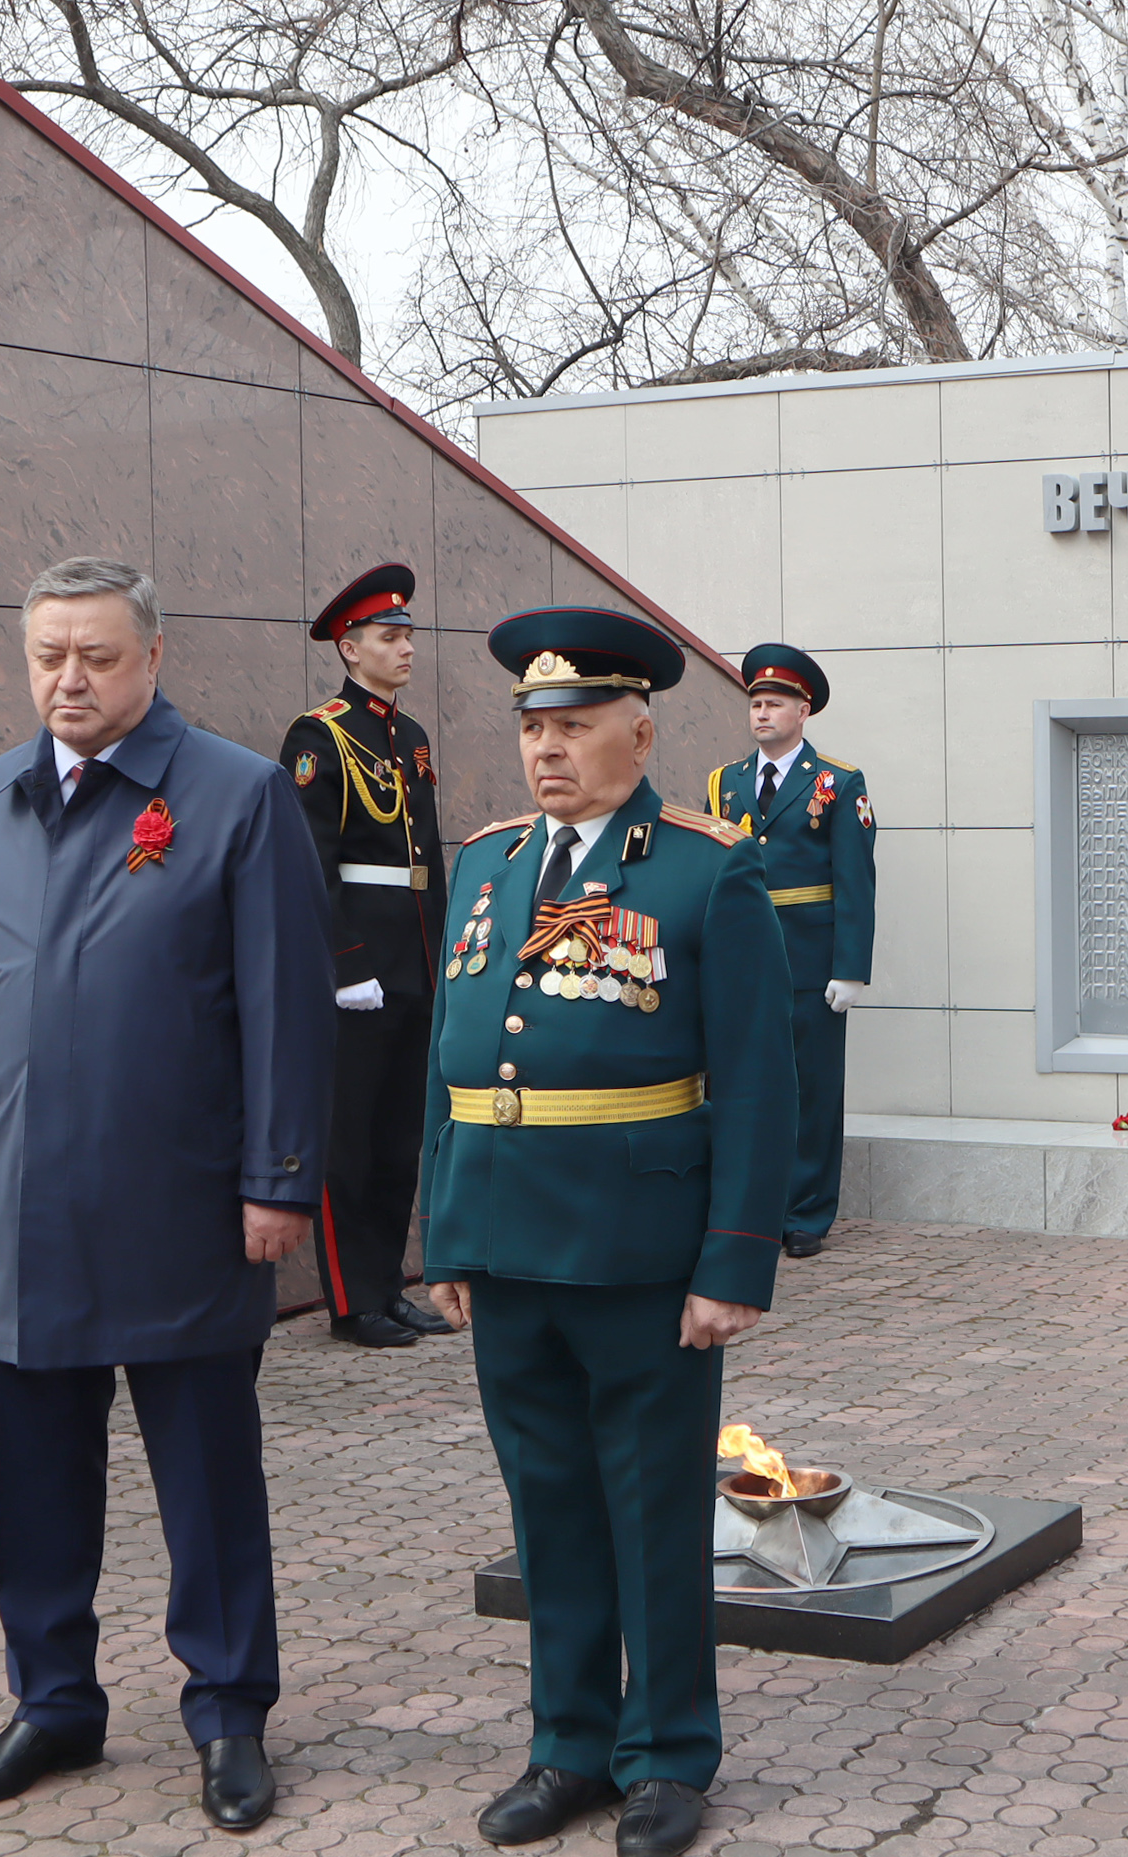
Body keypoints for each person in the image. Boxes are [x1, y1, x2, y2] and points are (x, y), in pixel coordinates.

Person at [0, 558, 334, 1826]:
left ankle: (229, 1710)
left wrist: (279, 1182)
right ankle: (53, 1706)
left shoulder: (239, 795)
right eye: (47, 657)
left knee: (204, 1472)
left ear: (154, 657)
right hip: (19, 1206)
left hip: (185, 1203)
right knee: (30, 1474)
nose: (68, 679)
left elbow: (286, 1011)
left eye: (95, 655)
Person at [422, 607, 797, 1855]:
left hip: (643, 1256)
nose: (546, 750)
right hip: (507, 1246)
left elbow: (757, 1077)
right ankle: (566, 1746)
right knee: (549, 1511)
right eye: (533, 727)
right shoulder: (483, 864)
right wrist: (446, 1237)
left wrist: (734, 1259)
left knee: (650, 1511)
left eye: (573, 727)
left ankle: (669, 1757)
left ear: (639, 730)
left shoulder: (705, 866)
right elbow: (452, 1066)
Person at [279, 563, 450, 1347]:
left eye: (409, 634)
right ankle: (352, 1299)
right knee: (349, 1140)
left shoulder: (408, 736)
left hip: (413, 956)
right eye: (390, 636)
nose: (406, 647)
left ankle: (391, 1284)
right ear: (350, 649)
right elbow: (311, 862)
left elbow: (430, 857)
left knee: (397, 1138)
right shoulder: (320, 736)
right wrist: (345, 963)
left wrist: (445, 956)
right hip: (360, 968)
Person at [705, 644, 874, 1258]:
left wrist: (851, 969)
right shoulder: (724, 784)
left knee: (812, 1085)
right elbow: (710, 870)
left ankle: (807, 1211)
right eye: (755, 702)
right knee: (745, 1082)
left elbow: (857, 879)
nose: (762, 713)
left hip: (810, 956)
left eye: (775, 703)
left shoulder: (837, 782)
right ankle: (755, 1206)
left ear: (804, 711)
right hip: (744, 953)